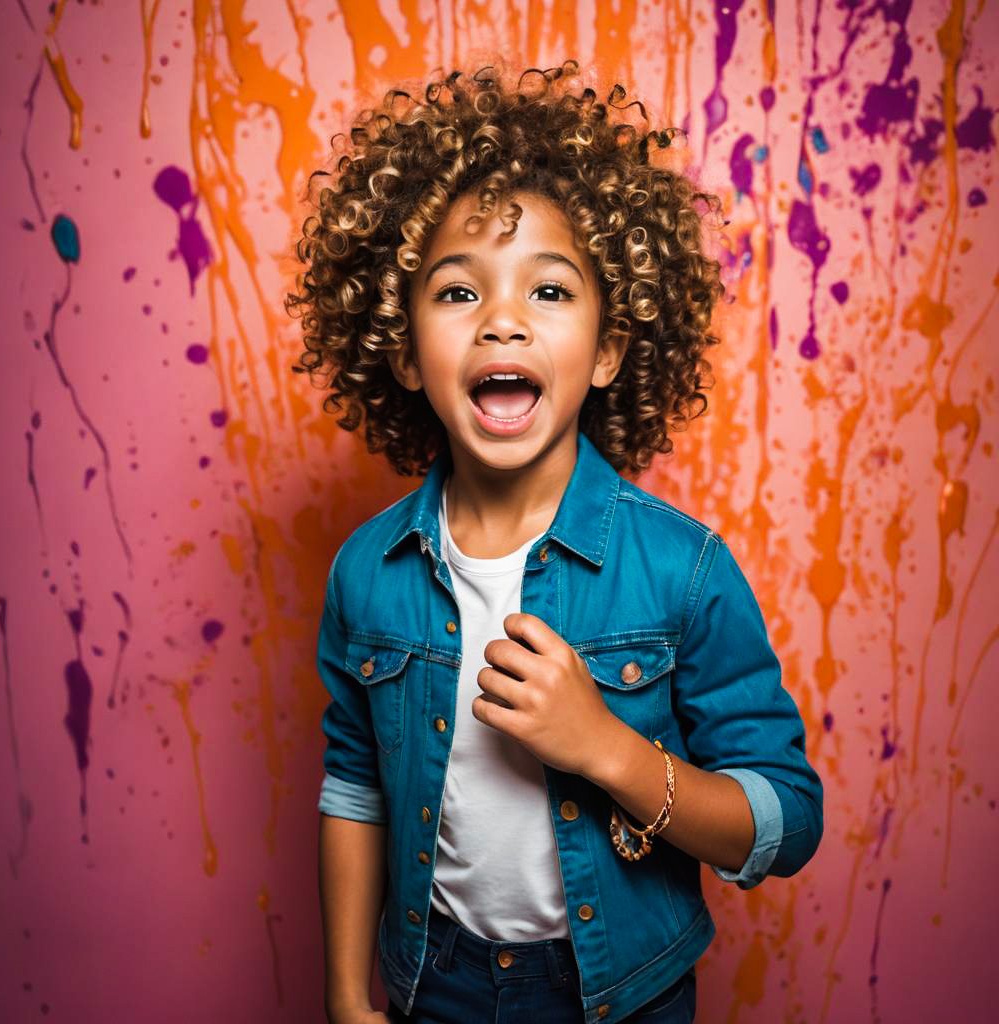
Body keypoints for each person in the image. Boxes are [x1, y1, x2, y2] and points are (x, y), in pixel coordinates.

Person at [287, 60, 823, 1024]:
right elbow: (355, 783)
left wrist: (607, 749)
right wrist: (342, 994)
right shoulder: (367, 573)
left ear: (610, 349)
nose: (501, 319)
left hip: (623, 995)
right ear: (404, 351)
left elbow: (785, 824)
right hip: (432, 984)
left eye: (550, 291)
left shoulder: (682, 571)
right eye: (457, 294)